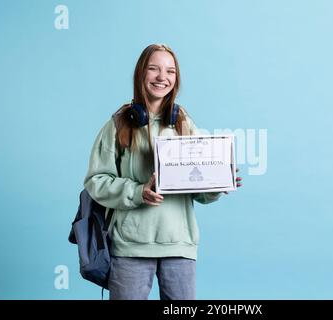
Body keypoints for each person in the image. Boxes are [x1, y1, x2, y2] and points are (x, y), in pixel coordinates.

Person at [83, 44, 242, 300]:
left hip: (179, 245)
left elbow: (200, 192)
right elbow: (96, 182)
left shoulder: (185, 124)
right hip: (131, 246)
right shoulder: (118, 125)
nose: (162, 77)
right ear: (141, 74)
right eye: (153, 69)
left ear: (176, 79)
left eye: (170, 71)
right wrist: (138, 192)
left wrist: (218, 183)